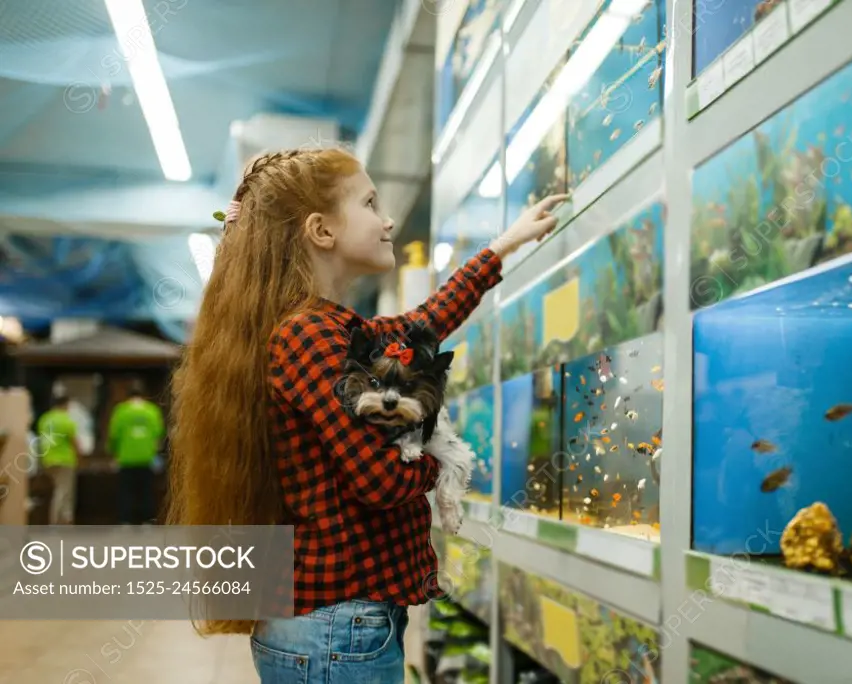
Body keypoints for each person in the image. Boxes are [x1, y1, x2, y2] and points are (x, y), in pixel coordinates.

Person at [165, 146, 566, 683]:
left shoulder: (328, 327)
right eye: (371, 203)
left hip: (332, 627)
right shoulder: (309, 335)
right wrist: (438, 459)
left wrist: (501, 247)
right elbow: (379, 479)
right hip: (335, 629)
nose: (389, 219)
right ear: (321, 231)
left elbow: (424, 324)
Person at [107, 379, 165, 524]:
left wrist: (113, 453)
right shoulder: (151, 411)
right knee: (146, 492)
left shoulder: (121, 411)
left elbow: (114, 435)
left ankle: (126, 521)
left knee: (126, 492)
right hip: (146, 458)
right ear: (143, 395)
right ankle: (146, 521)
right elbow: (159, 434)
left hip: (126, 458)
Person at [36, 392, 81, 524]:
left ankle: (60, 519)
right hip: (64, 460)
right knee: (64, 492)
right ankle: (60, 521)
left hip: (48, 459)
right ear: (65, 405)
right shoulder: (66, 420)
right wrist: (80, 458)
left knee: (56, 490)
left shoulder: (44, 419)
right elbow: (74, 442)